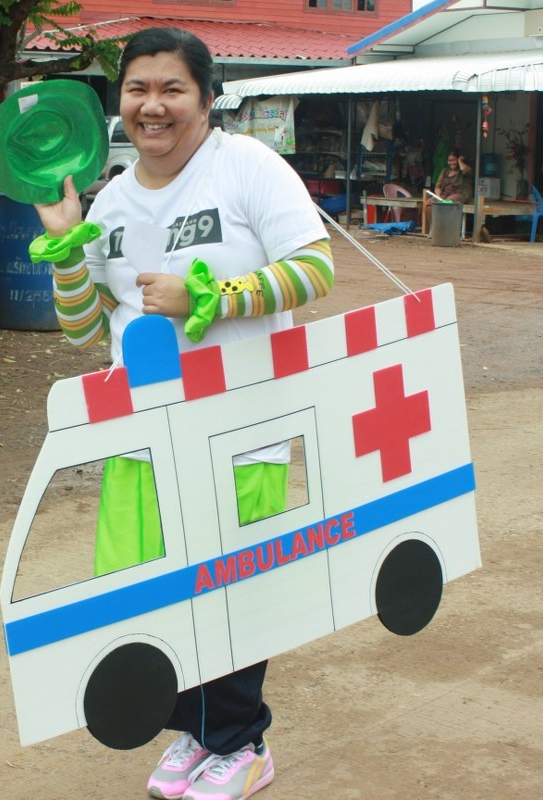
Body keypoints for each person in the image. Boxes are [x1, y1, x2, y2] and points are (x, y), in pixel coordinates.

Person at [29, 27, 334, 800]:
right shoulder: (112, 200)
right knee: (155, 586)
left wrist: (215, 296)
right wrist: (65, 247)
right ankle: (198, 732)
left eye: (172, 88)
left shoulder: (247, 168)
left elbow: (314, 268)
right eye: (138, 89)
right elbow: (84, 327)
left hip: (240, 428)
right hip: (143, 434)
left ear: (206, 98)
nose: (152, 105)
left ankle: (244, 743)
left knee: (232, 585)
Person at [422, 149, 473, 233]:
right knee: (428, 204)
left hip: (460, 194)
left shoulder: (464, 170)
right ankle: (434, 229)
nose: (451, 163)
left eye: (454, 160)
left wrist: (460, 160)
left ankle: (446, 230)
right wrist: (439, 196)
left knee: (447, 202)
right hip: (445, 195)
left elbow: (465, 170)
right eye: (450, 161)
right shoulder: (445, 171)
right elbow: (437, 186)